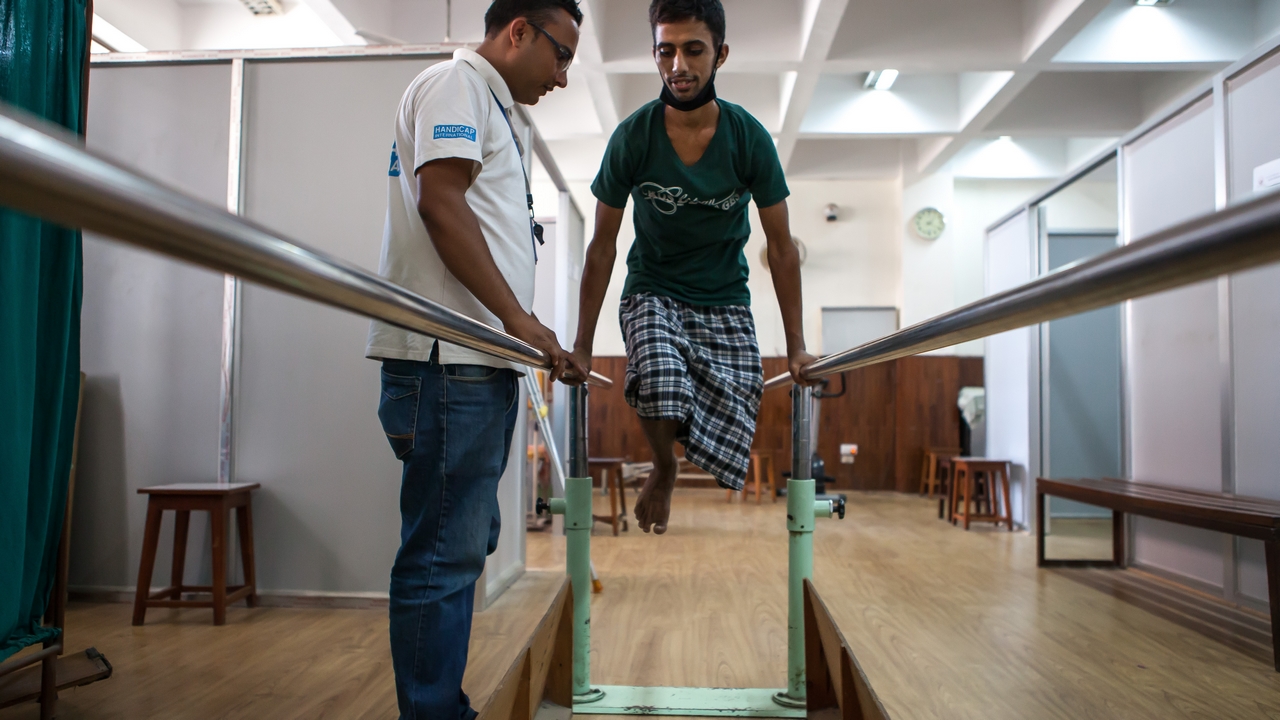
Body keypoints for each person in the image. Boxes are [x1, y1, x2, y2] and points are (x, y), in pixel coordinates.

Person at [364, 1, 585, 717]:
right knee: (442, 556)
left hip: (477, 363)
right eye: (560, 54)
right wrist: (519, 320)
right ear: (517, 30)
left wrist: (529, 334)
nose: (563, 75)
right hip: (447, 363)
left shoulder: (495, 110)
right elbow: (443, 203)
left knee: (468, 538)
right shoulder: (455, 84)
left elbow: (479, 221)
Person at [571, 0, 817, 536]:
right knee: (657, 376)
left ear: (720, 55)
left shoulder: (749, 139)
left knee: (742, 394)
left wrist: (796, 345)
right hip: (652, 288)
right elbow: (601, 248)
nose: (678, 65)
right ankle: (664, 465)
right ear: (655, 56)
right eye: (666, 50)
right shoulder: (633, 137)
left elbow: (781, 247)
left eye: (693, 50)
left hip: (725, 295)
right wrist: (583, 345)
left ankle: (679, 456)